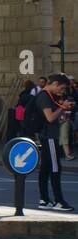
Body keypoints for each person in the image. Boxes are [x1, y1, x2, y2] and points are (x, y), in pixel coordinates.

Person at [34, 73, 74, 210]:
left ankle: (44, 200)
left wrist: (61, 108)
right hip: (49, 136)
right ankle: (59, 201)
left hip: (47, 135)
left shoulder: (46, 96)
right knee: (56, 167)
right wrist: (62, 108)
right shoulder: (44, 97)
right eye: (62, 88)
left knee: (45, 168)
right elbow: (50, 117)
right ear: (55, 84)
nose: (61, 92)